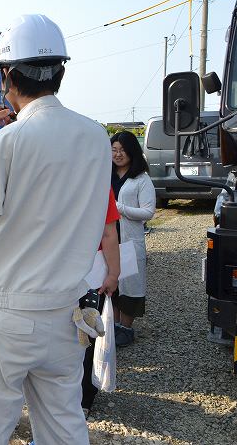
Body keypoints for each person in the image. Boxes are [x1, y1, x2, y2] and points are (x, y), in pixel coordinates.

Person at [0, 14, 112, 445]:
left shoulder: (7, 141)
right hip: (65, 312)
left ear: (6, 77)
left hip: (7, 312)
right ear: (61, 72)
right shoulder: (95, 137)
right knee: (63, 422)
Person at [110, 131, 156, 348]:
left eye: (122, 150)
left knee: (129, 284)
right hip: (109, 239)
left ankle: (126, 328)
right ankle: (115, 325)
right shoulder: (106, 176)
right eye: (114, 150)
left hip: (129, 239)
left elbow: (148, 212)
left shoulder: (141, 179)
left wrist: (120, 209)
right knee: (113, 284)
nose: (118, 154)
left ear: (132, 152)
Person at [80, 190, 121, 418]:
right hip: (90, 276)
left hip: (54, 277)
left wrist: (114, 273)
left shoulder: (44, 171)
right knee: (86, 338)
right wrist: (113, 273)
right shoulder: (97, 178)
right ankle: (83, 399)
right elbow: (108, 232)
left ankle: (76, 396)